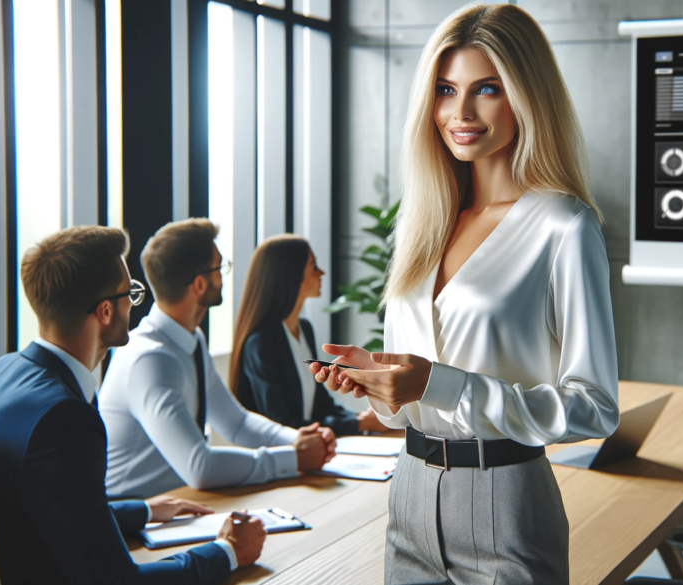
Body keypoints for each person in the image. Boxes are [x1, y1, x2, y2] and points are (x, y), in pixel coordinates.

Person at [310, 4, 619, 584]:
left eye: (487, 90)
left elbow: (595, 408)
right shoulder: (425, 221)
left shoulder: (564, 226)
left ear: (526, 97)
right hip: (409, 497)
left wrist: (438, 383)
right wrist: (379, 385)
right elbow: (407, 408)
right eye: (446, 89)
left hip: (505, 502)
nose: (460, 112)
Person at [0, 226, 266, 583]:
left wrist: (143, 510)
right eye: (131, 293)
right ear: (105, 311)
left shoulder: (3, 371)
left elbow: (51, 508)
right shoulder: (64, 418)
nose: (135, 303)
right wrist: (226, 552)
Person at [100, 219, 336, 499]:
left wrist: (297, 439)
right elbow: (199, 467)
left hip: (181, 506)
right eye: (221, 268)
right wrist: (294, 458)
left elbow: (237, 422)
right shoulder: (150, 360)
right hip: (139, 526)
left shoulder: (191, 340)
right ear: (200, 284)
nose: (225, 276)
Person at [228, 235, 390, 435]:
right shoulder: (261, 342)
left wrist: (360, 419)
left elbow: (321, 405)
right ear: (291, 275)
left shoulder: (304, 329)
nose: (321, 273)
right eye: (314, 266)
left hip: (314, 448)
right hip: (284, 456)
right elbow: (279, 423)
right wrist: (358, 424)